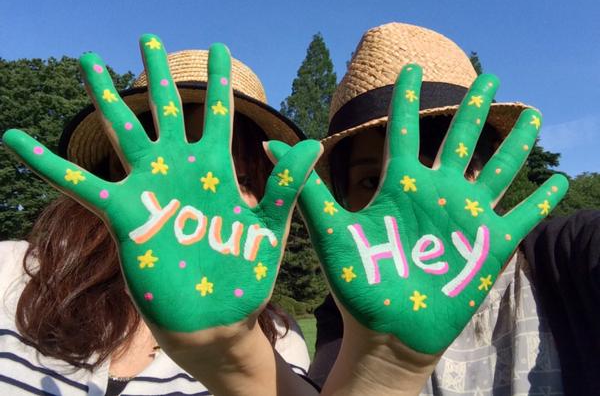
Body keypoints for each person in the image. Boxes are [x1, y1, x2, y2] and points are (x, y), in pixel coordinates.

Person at [0, 45, 318, 395]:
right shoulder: (11, 271)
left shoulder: (279, 340)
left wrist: (232, 355)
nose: (197, 201)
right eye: (169, 174)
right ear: (113, 171)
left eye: (240, 181)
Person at [306, 23, 600, 395]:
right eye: (369, 181)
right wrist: (381, 369)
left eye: (443, 167)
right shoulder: (351, 311)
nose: (411, 203)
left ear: (488, 166)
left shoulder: (568, 254)